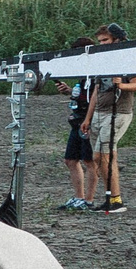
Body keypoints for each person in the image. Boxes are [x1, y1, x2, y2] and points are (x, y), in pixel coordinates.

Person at [88, 25, 136, 213]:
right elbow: (95, 92)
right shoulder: (102, 62)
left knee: (102, 155)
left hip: (118, 112)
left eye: (105, 40)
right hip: (99, 113)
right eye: (100, 41)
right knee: (106, 158)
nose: (102, 44)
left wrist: (121, 86)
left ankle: (116, 199)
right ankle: (112, 197)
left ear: (116, 40)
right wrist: (88, 117)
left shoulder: (128, 59)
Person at [59, 51, 97, 211]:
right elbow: (83, 96)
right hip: (77, 120)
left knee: (89, 161)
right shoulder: (83, 75)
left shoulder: (96, 75)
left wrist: (88, 120)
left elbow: (94, 98)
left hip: (88, 120)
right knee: (71, 160)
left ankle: (88, 200)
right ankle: (79, 197)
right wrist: (69, 92)